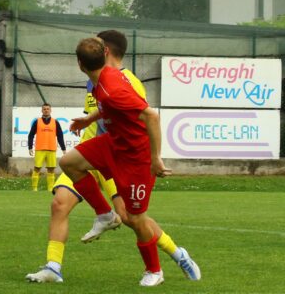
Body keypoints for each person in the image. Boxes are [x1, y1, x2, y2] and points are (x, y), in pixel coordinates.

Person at [26, 31, 201, 285]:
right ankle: (57, 263)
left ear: (102, 51)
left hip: (133, 156)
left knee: (134, 218)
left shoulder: (121, 82)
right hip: (109, 145)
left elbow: (150, 116)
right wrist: (90, 119)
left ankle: (168, 260)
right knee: (64, 182)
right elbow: (108, 106)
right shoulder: (100, 79)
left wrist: (155, 159)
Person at [27, 103, 66, 191]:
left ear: (50, 110)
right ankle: (34, 189)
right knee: (37, 168)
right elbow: (31, 135)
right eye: (44, 109)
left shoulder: (55, 122)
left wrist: (63, 148)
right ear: (41, 110)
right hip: (40, 148)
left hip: (51, 149)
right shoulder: (37, 122)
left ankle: (50, 189)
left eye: (48, 109)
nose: (46, 110)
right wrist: (30, 147)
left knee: (51, 169)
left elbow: (60, 136)